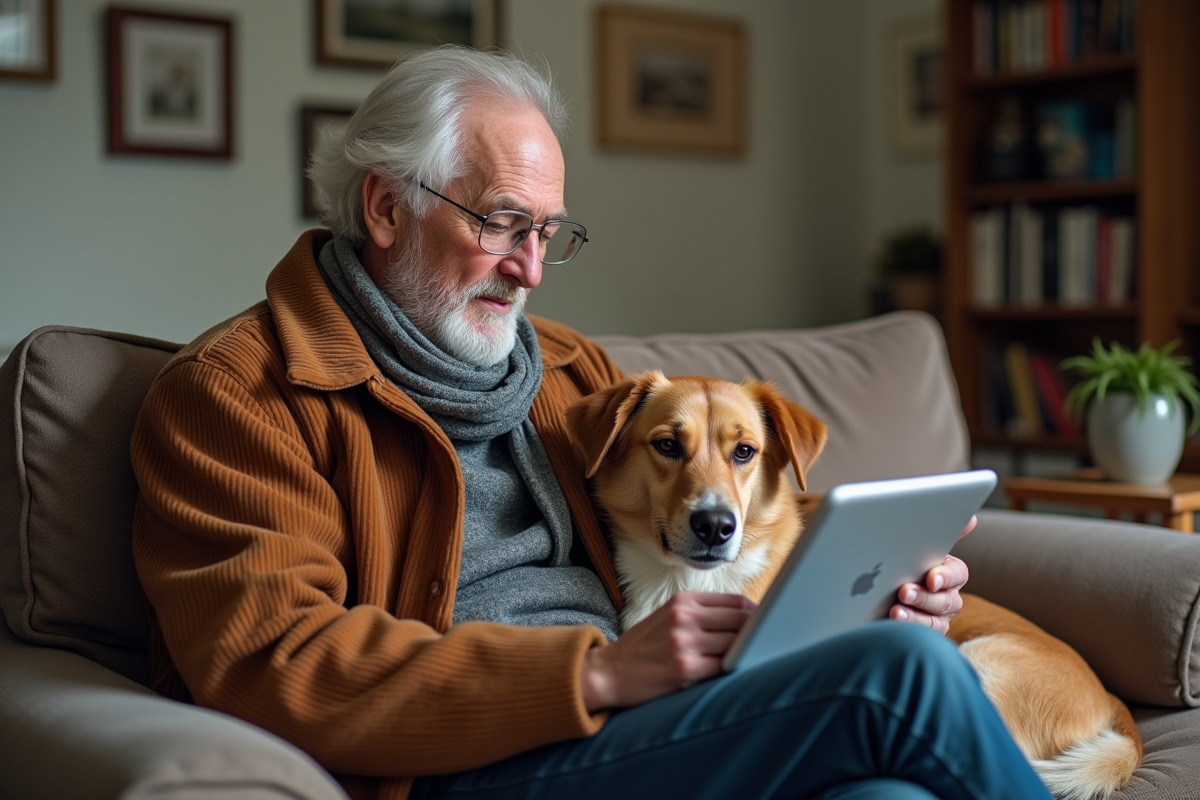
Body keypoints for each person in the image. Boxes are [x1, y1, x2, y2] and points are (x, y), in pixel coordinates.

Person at [131, 45, 1052, 800]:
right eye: (503, 225)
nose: (531, 270)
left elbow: (703, 539)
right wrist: (590, 675)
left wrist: (872, 593)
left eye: (549, 233)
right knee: (903, 675)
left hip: (645, 721)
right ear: (384, 207)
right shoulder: (239, 396)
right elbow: (275, 660)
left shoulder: (571, 372)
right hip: (461, 760)